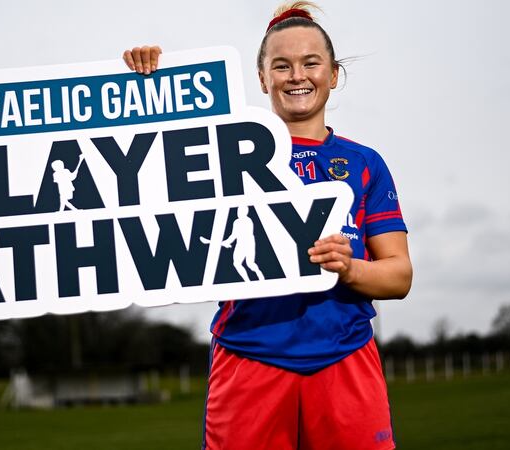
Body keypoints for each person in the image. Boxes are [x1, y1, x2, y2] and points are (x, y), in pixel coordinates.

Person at [123, 2, 412, 449]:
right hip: (248, 357)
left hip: (345, 358)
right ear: (262, 78)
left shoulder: (365, 163)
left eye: (310, 63)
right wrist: (147, 84)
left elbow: (399, 275)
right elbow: (149, 153)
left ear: (333, 74)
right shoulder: (223, 152)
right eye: (282, 65)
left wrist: (351, 268)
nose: (297, 75)